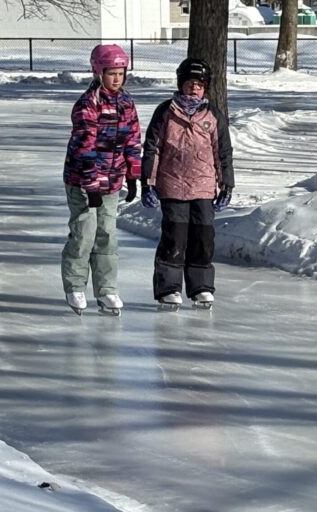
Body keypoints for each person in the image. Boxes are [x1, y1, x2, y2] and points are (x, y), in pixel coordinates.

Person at [140, 57, 234, 310]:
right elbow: (153, 149)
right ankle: (168, 288)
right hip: (172, 185)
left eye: (199, 85)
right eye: (190, 84)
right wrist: (147, 182)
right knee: (175, 238)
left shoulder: (212, 115)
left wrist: (226, 184)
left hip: (203, 187)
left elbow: (223, 153)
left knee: (203, 238)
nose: (194, 89)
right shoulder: (166, 112)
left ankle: (201, 287)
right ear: (181, 84)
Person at [61, 44, 142, 316]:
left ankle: (107, 289)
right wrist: (91, 185)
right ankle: (75, 286)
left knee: (107, 235)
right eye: (111, 74)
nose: (117, 79)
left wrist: (133, 174)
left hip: (112, 180)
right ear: (98, 73)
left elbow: (133, 140)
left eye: (121, 73)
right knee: (84, 233)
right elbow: (85, 148)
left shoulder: (126, 102)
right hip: (82, 181)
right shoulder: (88, 104)